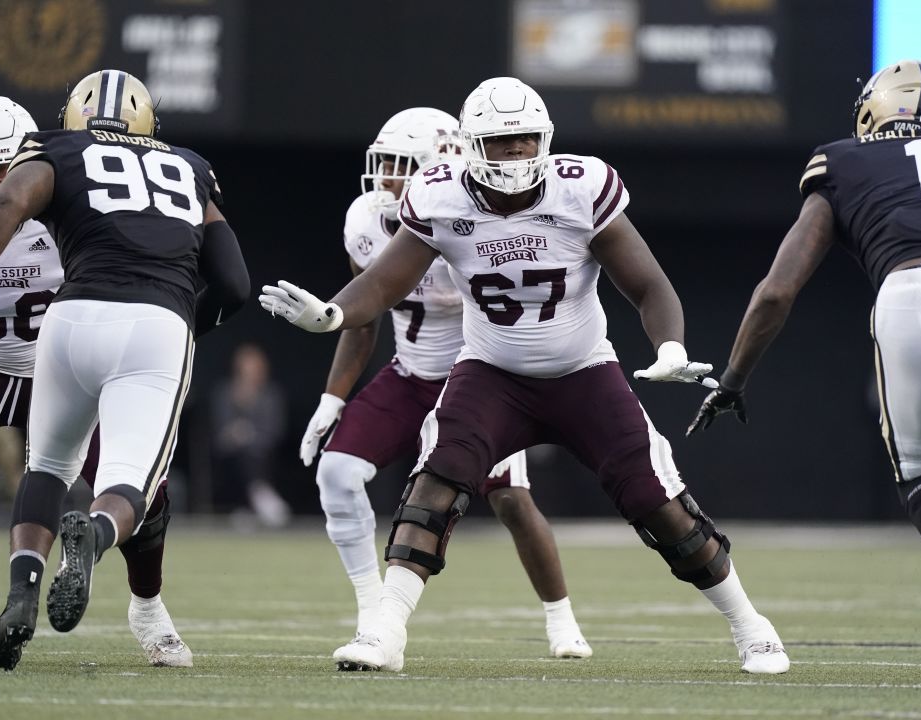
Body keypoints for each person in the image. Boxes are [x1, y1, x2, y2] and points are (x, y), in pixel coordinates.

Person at [261, 77, 788, 674]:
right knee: (436, 481)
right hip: (493, 372)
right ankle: (385, 631)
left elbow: (648, 284)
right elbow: (385, 283)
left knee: (657, 501)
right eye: (501, 141)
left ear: (545, 139)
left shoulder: (580, 188)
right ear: (470, 146)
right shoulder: (440, 196)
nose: (515, 153)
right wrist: (333, 314)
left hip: (583, 370)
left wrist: (670, 345)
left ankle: (751, 625)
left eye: (525, 140)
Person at [686, 60, 921, 686]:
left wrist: (733, 379)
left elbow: (776, 292)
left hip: (906, 296)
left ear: (876, 107)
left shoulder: (842, 160)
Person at [0, 71, 250, 667]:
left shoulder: (56, 159)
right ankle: (88, 540)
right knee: (131, 485)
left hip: (59, 343)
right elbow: (233, 281)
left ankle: (144, 607)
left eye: (2, 168)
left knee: (57, 471)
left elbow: (14, 198)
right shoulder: (186, 164)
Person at [301, 106, 591, 659]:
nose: (385, 177)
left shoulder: (471, 220)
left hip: (476, 380)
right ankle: (372, 614)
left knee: (510, 500)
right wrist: (331, 398)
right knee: (337, 473)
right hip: (408, 374)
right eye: (382, 162)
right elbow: (364, 316)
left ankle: (561, 617)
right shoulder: (364, 221)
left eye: (399, 164)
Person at [210, 342, 291, 527]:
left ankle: (252, 501)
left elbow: (275, 430)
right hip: (229, 452)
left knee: (250, 454)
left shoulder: (271, 395)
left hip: (263, 451)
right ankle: (260, 496)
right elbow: (219, 430)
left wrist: (250, 435)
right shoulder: (224, 393)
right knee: (241, 453)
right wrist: (235, 433)